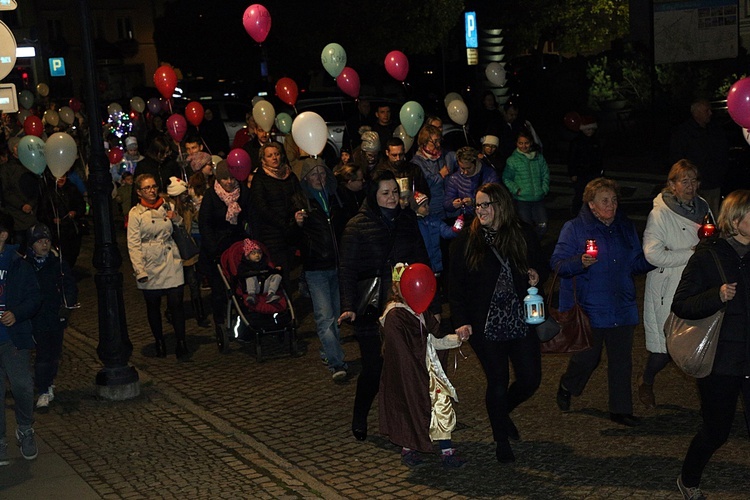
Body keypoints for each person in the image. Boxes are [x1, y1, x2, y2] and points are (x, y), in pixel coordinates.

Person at [449, 182, 545, 463]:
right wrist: (462, 320)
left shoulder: (522, 234)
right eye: (477, 205)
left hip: (519, 322)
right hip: (485, 326)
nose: (480, 210)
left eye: (485, 205)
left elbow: (542, 265)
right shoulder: (466, 241)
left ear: (501, 205)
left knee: (530, 379)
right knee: (498, 381)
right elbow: (455, 288)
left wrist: (537, 276)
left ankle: (501, 412)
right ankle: (501, 441)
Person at [338, 170, 431, 442]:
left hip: (404, 303)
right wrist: (348, 304)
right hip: (371, 306)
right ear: (373, 195)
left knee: (405, 365)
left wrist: (431, 302)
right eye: (385, 193)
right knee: (374, 366)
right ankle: (360, 413)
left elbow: (422, 260)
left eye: (394, 192)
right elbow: (347, 269)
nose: (391, 198)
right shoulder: (357, 226)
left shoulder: (407, 220)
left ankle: (405, 422)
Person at [552, 178, 653, 427]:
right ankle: (568, 384)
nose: (612, 205)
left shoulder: (625, 227)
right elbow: (557, 264)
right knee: (588, 358)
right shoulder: (575, 228)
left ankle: (620, 410)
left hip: (621, 305)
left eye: (614, 200)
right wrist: (579, 262)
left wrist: (657, 258)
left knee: (622, 361)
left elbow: (635, 263)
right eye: (605, 200)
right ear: (592, 205)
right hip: (590, 308)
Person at [672, 189, 750, 499]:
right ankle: (689, 480)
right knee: (716, 430)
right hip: (722, 360)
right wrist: (715, 296)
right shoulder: (708, 255)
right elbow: (682, 305)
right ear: (735, 219)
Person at [379, 263, 465, 468]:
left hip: (430, 371)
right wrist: (415, 374)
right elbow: (399, 352)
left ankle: (446, 450)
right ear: (396, 288)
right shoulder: (395, 315)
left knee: (442, 405)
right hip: (409, 374)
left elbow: (433, 339)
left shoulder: (420, 309)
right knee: (411, 407)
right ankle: (409, 447)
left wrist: (457, 339)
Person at [640, 160, 710, 408]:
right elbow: (652, 254)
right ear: (672, 184)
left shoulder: (703, 207)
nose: (690, 186)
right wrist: (691, 253)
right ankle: (647, 381)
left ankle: (710, 397)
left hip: (698, 285)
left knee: (703, 341)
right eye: (684, 181)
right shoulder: (660, 214)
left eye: (694, 180)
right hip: (669, 286)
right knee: (665, 348)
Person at [292, 159, 349, 381]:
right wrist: (295, 223)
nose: (319, 178)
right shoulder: (300, 201)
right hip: (316, 268)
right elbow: (292, 238)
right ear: (306, 178)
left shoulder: (336, 198)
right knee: (324, 317)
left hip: (337, 265)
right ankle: (337, 363)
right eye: (314, 174)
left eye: (322, 173)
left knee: (336, 316)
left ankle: (328, 352)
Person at [127, 173, 189, 360]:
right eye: (147, 188)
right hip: (150, 262)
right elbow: (133, 243)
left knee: (176, 303)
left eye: (153, 186)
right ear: (139, 192)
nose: (152, 190)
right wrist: (140, 270)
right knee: (153, 305)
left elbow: (181, 228)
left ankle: (181, 342)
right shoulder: (135, 214)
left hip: (170, 259)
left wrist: (176, 218)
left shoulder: (167, 205)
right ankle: (159, 341)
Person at [0, 212, 41, 464]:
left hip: (11, 339)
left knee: (23, 385)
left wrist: (17, 313)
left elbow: (35, 298)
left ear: (3, 236)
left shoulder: (17, 264)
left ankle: (25, 428)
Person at [25, 223, 77, 413]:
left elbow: (69, 285)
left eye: (46, 241)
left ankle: (49, 382)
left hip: (55, 316)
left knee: (54, 353)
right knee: (43, 355)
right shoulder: (26, 265)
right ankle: (43, 389)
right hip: (37, 317)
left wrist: (67, 304)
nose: (44, 245)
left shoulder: (58, 263)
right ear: (32, 245)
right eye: (40, 242)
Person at [198, 161, 251, 339]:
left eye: (231, 178)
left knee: (242, 285)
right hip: (217, 248)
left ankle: (243, 322)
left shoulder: (242, 192)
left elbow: (251, 216)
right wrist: (213, 249)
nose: (229, 182)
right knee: (219, 290)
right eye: (224, 179)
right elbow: (205, 224)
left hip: (237, 245)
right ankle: (220, 321)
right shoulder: (211, 196)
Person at [249, 142, 303, 286]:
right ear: (263, 159)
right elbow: (261, 207)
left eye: (277, 154)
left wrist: (298, 214)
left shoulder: (289, 175)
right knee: (281, 271)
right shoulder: (260, 179)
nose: (274, 158)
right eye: (270, 155)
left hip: (292, 229)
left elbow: (298, 197)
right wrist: (282, 222)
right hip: (272, 233)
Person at [669, 98, 729, 216]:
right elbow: (677, 158)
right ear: (696, 112)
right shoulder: (684, 133)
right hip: (693, 184)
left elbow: (722, 152)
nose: (710, 113)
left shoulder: (713, 130)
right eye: (707, 110)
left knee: (712, 215)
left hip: (713, 182)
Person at [166, 177, 210, 328]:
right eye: (183, 193)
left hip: (187, 251)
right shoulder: (166, 208)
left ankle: (199, 314)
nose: (187, 195)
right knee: (175, 286)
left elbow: (197, 219)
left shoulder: (187, 206)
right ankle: (172, 311)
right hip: (173, 252)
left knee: (193, 283)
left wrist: (201, 209)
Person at [502, 130, 550, 236]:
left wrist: (544, 189)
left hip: (538, 198)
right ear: (517, 143)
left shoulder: (539, 158)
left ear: (531, 142)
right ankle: (528, 247)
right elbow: (506, 178)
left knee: (543, 224)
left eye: (526, 143)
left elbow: (545, 174)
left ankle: (536, 242)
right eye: (521, 143)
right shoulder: (512, 160)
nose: (524, 146)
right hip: (522, 200)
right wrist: (516, 190)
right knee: (525, 226)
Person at [38, 171, 87, 268]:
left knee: (72, 251)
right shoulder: (48, 191)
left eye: (63, 176)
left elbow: (81, 205)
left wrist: (75, 212)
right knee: (59, 252)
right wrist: (52, 219)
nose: (61, 179)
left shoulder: (72, 189)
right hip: (55, 229)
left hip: (71, 227)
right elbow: (42, 210)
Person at [444, 146, 499, 223]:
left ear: (476, 162)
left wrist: (474, 202)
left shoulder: (489, 175)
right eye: (462, 168)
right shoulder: (454, 178)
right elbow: (447, 204)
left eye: (469, 168)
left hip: (487, 219)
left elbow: (496, 199)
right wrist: (453, 204)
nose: (465, 172)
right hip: (466, 220)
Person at [410, 125, 449, 221]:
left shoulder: (442, 155)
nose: (438, 144)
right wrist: (440, 175)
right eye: (434, 141)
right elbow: (425, 183)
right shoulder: (417, 162)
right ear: (424, 142)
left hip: (447, 206)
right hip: (432, 208)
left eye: (439, 140)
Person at [568, 116, 603, 216]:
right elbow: (572, 158)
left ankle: (592, 212)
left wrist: (601, 171)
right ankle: (576, 213)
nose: (590, 131)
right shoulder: (577, 142)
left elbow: (599, 157)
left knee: (594, 193)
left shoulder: (595, 141)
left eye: (592, 129)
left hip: (593, 172)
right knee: (580, 194)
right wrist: (573, 173)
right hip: (581, 173)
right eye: (588, 129)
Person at [237, 239, 282, 305]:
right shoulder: (244, 266)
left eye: (259, 253)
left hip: (264, 286)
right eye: (253, 253)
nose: (257, 255)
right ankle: (252, 295)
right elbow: (240, 275)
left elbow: (269, 272)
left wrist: (275, 270)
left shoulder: (263, 263)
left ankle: (271, 294)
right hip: (252, 287)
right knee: (250, 276)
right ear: (248, 256)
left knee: (277, 276)